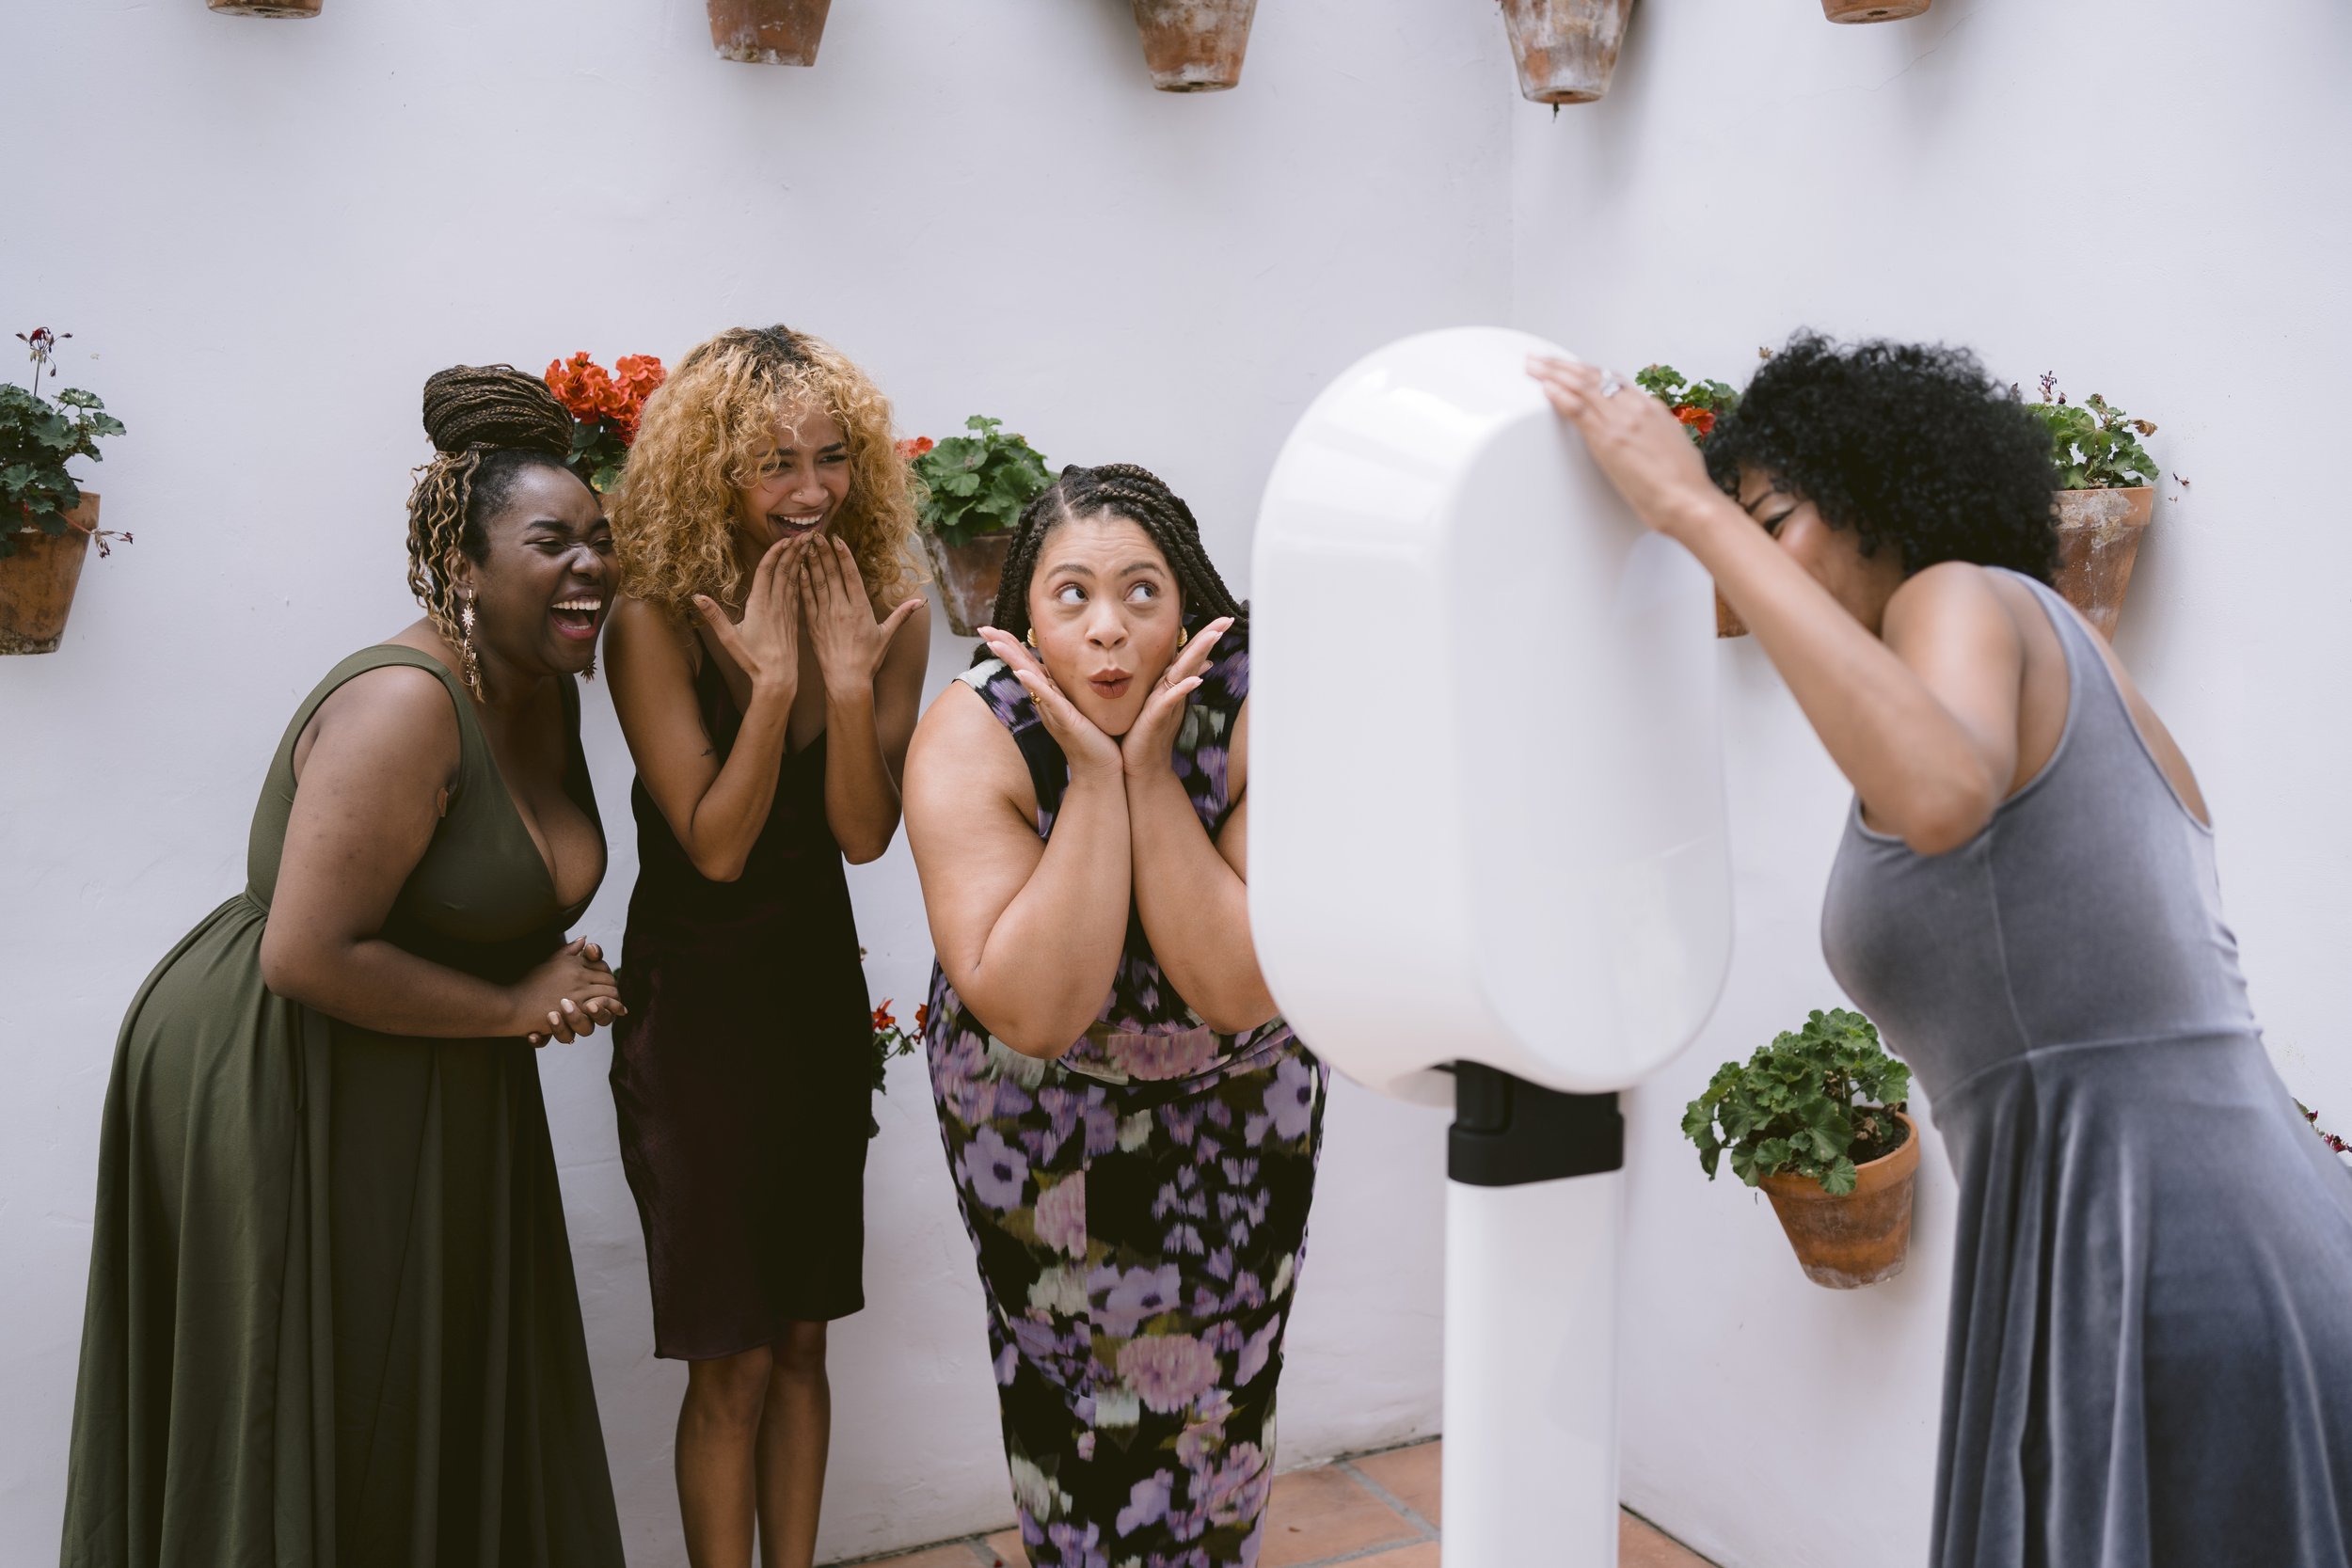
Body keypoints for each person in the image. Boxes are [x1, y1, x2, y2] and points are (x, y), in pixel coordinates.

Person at [1532, 336, 2352, 1568]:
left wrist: (1691, 507)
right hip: (2152, 1235)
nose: (1754, 560)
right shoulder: (2035, 651)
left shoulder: (1965, 596)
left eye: (1779, 517)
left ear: (1879, 499)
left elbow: (1940, 785)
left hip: (2174, 1248)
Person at [61, 365, 628, 1568]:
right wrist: (511, 1002)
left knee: (420, 1374)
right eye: (550, 541)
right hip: (291, 1064)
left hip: (432, 1056)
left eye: (600, 538)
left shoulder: (545, 687)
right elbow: (309, 949)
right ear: (462, 564)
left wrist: (538, 963)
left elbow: (474, 880)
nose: (589, 564)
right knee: (321, 1390)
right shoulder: (403, 704)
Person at [903, 463, 1327, 1568]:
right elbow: (1039, 1008)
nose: (1109, 630)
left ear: (1189, 600)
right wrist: (1093, 782)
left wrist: (1146, 776)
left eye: (1142, 591)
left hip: (1236, 1108)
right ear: (1025, 618)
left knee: (1223, 1397)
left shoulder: (1258, 707)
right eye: (1071, 595)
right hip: (1037, 1124)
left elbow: (1232, 984)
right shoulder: (971, 730)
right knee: (1078, 1410)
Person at [602, 325, 928, 1568]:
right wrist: (778, 690)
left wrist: (850, 690)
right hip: (694, 1016)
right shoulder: (654, 620)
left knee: (802, 1337)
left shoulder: (886, 615)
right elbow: (718, 844)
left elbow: (859, 833)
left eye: (830, 457)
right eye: (772, 460)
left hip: (810, 1004)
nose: (808, 489)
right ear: (710, 472)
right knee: (728, 1357)